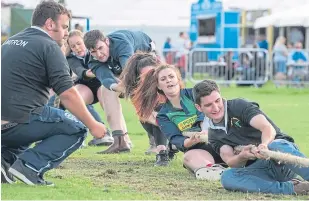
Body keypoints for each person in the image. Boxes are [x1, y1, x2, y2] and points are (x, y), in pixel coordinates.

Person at [1, 1, 107, 186]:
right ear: (50, 24)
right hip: (21, 120)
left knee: (36, 120)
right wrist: (93, 125)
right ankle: (29, 167)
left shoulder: (10, 42)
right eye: (65, 27)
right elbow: (67, 93)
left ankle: (4, 162)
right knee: (77, 128)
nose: (66, 33)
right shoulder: (48, 46)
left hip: (5, 125)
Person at [193, 79, 309, 194]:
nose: (216, 108)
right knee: (227, 177)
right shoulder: (213, 134)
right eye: (208, 105)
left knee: (275, 144)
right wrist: (242, 156)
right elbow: (231, 161)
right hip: (259, 168)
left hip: (281, 158)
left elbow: (267, 128)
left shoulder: (239, 105)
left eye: (217, 101)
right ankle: (294, 188)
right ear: (199, 107)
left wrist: (264, 145)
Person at [131, 64, 225, 180]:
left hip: (220, 139)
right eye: (163, 79)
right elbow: (175, 138)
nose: (168, 81)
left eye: (171, 76)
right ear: (159, 86)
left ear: (178, 79)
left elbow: (213, 108)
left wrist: (204, 127)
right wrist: (189, 141)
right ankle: (213, 169)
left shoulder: (193, 93)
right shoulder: (163, 116)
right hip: (200, 149)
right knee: (187, 158)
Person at [83, 29, 155, 153]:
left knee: (141, 97)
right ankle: (120, 141)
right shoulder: (92, 60)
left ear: (107, 41)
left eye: (100, 48)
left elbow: (129, 70)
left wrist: (128, 89)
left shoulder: (121, 44)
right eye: (93, 51)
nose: (99, 54)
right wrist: (118, 87)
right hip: (124, 67)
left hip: (146, 53)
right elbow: (105, 78)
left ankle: (157, 142)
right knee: (106, 90)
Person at [119, 52, 173, 166]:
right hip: (152, 121)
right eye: (144, 75)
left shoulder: (168, 82)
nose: (149, 78)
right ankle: (162, 153)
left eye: (152, 74)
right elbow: (144, 114)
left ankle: (171, 147)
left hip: (176, 120)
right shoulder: (136, 90)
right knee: (158, 116)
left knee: (161, 113)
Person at [66, 29, 114, 146]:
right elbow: (80, 71)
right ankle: (84, 135)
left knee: (110, 108)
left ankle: (120, 138)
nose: (77, 48)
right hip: (84, 85)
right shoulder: (71, 59)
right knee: (76, 101)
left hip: (100, 84)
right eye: (73, 46)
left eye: (79, 44)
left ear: (85, 42)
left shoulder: (96, 52)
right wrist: (95, 71)